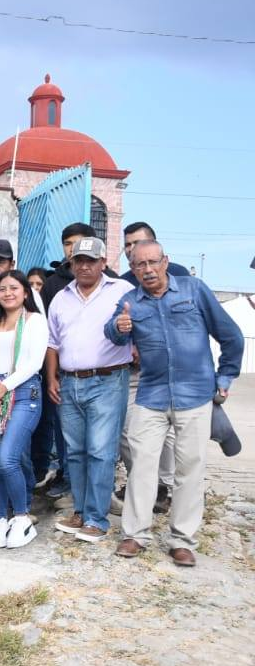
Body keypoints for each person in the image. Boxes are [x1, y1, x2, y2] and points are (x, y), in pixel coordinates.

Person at [106, 239, 244, 566]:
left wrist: (225, 377)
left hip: (195, 394)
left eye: (153, 262)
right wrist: (118, 328)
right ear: (133, 269)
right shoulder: (129, 302)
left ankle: (182, 540)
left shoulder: (194, 290)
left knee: (189, 469)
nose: (148, 270)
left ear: (165, 261)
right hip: (151, 395)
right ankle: (135, 535)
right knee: (141, 465)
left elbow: (231, 336)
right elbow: (112, 332)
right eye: (140, 264)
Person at [44, 237, 134, 545]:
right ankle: (81, 512)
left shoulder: (121, 290)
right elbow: (53, 342)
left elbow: (137, 325)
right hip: (69, 382)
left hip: (108, 380)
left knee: (100, 451)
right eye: (79, 261)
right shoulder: (61, 298)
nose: (84, 266)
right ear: (71, 264)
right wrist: (52, 377)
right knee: (76, 452)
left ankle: (97, 519)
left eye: (91, 261)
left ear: (103, 263)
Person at [33, 222, 109, 501]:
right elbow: (47, 334)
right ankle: (67, 479)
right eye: (67, 244)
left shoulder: (112, 284)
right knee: (67, 435)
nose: (72, 249)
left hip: (105, 377)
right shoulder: (53, 285)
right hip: (64, 375)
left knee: (100, 441)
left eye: (78, 243)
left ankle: (98, 493)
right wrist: (50, 374)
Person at [0, 271, 47, 549]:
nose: (8, 293)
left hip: (24, 393)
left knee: (8, 459)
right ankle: (1, 519)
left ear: (25, 292)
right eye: (2, 289)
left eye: (14, 288)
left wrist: (3, 389)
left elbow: (34, 363)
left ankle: (21, 517)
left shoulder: (34, 320)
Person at [117, 220, 181, 515]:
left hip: (169, 370)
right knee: (128, 431)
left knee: (168, 432)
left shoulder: (179, 276)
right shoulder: (122, 283)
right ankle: (144, 482)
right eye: (128, 245)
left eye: (138, 243)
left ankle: (165, 487)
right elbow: (116, 323)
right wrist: (129, 342)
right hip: (133, 371)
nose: (132, 249)